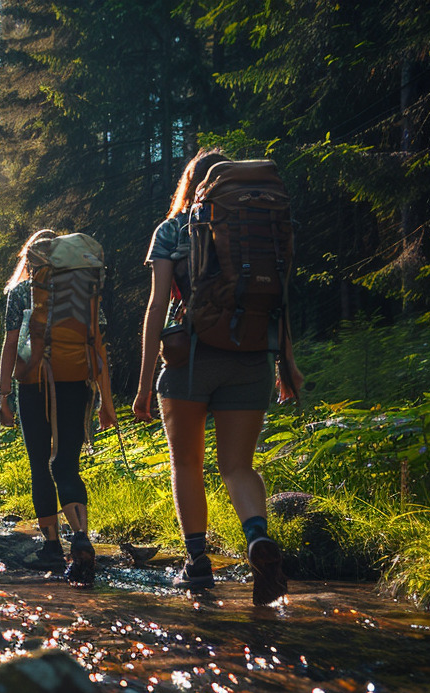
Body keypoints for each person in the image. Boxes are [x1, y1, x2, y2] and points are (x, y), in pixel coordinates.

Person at [131, 149, 304, 605]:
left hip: (190, 357)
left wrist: (144, 382)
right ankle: (256, 537)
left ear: (192, 184)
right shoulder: (265, 224)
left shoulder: (172, 229)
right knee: (238, 466)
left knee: (187, 463)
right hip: (251, 355)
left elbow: (155, 308)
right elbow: (279, 296)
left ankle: (197, 563)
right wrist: (287, 363)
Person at [0, 231, 116, 584]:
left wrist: (2, 395)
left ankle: (51, 546)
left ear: (31, 260)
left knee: (39, 463)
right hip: (76, 382)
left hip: (34, 383)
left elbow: (10, 343)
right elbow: (98, 347)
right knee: (66, 462)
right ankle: (81, 536)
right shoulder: (84, 290)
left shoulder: (21, 291)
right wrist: (105, 404)